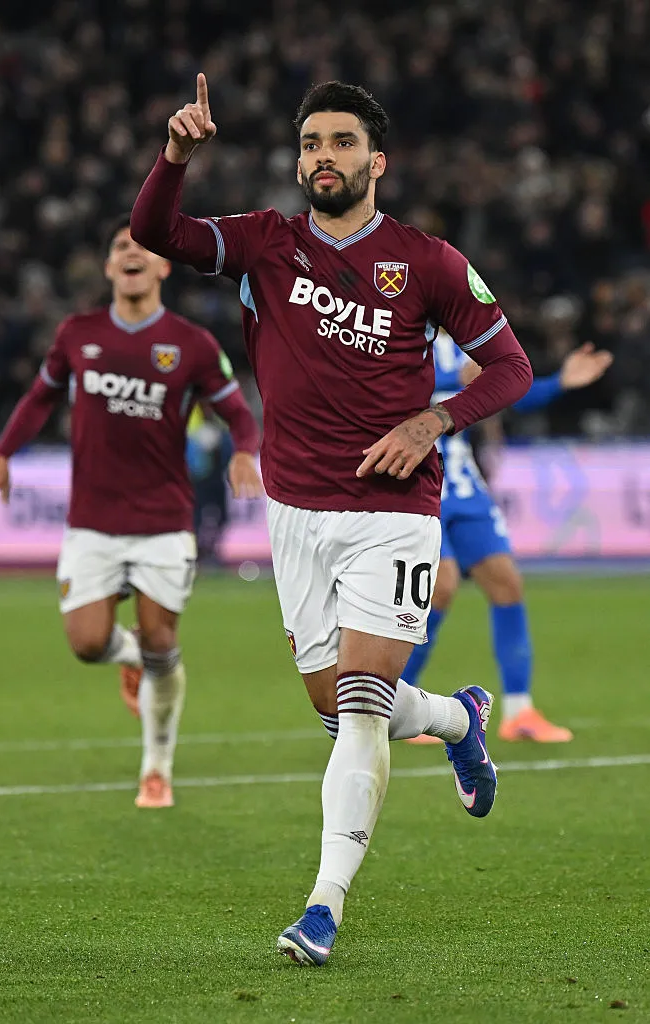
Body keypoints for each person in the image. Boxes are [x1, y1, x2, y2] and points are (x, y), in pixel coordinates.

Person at [130, 76, 533, 965]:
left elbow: (509, 367)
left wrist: (432, 419)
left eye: (342, 143)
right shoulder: (263, 244)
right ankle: (461, 719)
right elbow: (155, 234)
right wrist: (175, 158)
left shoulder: (426, 261)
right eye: (311, 143)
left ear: (376, 161)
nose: (323, 157)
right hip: (295, 511)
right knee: (336, 704)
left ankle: (322, 907)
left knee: (357, 708)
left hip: (393, 513)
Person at [0, 215, 262, 809]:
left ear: (161, 266)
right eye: (119, 248)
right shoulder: (78, 333)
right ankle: (125, 656)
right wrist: (2, 455)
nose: (130, 253)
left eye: (141, 247)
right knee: (85, 643)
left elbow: (238, 413)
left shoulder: (192, 344)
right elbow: (38, 398)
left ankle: (157, 767)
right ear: (108, 268)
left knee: (163, 642)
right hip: (92, 522)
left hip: (162, 520)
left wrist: (245, 454)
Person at [403, 335, 613, 744]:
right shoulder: (398, 332)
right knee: (440, 587)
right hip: (418, 479)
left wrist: (559, 383)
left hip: (464, 485)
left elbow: (505, 395)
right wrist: (455, 380)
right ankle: (397, 703)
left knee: (506, 583)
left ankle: (519, 712)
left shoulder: (462, 342)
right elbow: (381, 393)